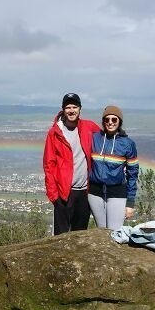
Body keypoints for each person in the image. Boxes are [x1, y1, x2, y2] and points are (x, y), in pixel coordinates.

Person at [43, 93, 100, 235]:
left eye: (75, 107)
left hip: (84, 192)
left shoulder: (89, 127)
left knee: (79, 234)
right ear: (63, 110)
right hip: (63, 193)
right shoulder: (55, 132)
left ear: (80, 109)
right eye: (68, 107)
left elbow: (106, 139)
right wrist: (54, 196)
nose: (71, 110)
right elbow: (48, 165)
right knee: (60, 236)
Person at [88, 105, 139, 230]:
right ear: (103, 121)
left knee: (114, 231)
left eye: (114, 120)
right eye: (107, 119)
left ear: (119, 122)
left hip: (117, 192)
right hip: (95, 192)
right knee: (101, 231)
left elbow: (133, 174)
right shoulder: (95, 139)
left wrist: (130, 203)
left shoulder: (128, 144)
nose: (110, 123)